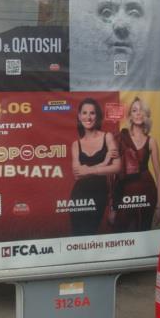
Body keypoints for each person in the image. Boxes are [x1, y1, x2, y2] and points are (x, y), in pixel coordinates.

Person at [111, 97, 160, 231]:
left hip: (147, 193)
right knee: (121, 232)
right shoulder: (121, 138)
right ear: (130, 116)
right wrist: (113, 206)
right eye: (134, 110)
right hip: (125, 193)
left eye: (141, 110)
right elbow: (115, 175)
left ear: (146, 115)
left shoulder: (151, 142)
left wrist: (159, 207)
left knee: (143, 231)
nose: (138, 113)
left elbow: (159, 176)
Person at [70, 98, 121, 236]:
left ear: (97, 116)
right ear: (79, 116)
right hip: (78, 195)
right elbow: (78, 174)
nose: (88, 117)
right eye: (84, 113)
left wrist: (88, 170)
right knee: (77, 235)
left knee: (91, 232)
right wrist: (104, 163)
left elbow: (117, 167)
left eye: (92, 113)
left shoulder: (107, 137)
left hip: (99, 194)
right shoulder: (76, 144)